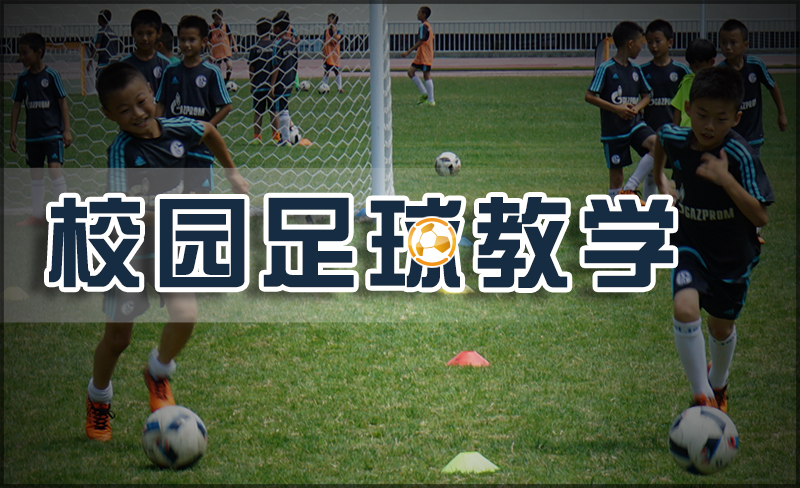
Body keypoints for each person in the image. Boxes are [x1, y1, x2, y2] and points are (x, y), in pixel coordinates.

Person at [86, 61, 249, 441]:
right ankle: (98, 399)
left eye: (141, 101)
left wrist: (232, 173)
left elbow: (209, 130)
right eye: (124, 110)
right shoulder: (121, 152)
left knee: (186, 314)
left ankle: (158, 372)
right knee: (118, 340)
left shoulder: (178, 129)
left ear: (151, 93)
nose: (137, 113)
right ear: (109, 115)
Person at [653, 66, 773, 413]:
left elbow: (760, 216)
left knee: (721, 328)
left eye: (720, 119)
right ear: (688, 108)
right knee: (685, 308)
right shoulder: (678, 137)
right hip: (689, 243)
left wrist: (726, 180)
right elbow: (661, 138)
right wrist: (661, 179)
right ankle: (702, 395)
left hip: (732, 255)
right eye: (702, 115)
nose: (708, 126)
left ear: (736, 118)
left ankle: (718, 382)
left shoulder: (739, 155)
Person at [155, 15, 233, 194]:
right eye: (183, 40)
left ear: (204, 42)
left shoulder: (211, 72)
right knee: (173, 192)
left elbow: (227, 106)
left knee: (200, 194)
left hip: (200, 146)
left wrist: (206, 129)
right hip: (173, 143)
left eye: (192, 40)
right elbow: (161, 103)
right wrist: (157, 131)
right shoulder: (170, 71)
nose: (187, 44)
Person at [585, 21, 655, 200]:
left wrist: (636, 108)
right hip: (614, 130)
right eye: (640, 43)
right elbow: (590, 96)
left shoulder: (636, 69)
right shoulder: (606, 68)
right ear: (630, 44)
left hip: (635, 125)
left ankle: (630, 187)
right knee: (616, 178)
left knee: (658, 144)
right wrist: (616, 109)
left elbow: (647, 96)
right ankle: (615, 211)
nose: (641, 48)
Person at [9, 32, 72, 226]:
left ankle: (66, 214)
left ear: (38, 52)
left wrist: (67, 130)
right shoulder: (23, 79)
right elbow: (16, 106)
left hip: (52, 134)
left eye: (25, 53)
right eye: (20, 53)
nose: (21, 57)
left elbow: (62, 102)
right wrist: (13, 133)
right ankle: (36, 216)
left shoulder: (51, 75)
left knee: (54, 170)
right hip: (33, 137)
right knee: (35, 175)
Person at [635, 19, 690, 197]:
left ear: (670, 42)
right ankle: (650, 207)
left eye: (658, 41)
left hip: (675, 131)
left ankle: (680, 205)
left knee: (679, 171)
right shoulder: (642, 70)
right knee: (652, 173)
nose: (653, 46)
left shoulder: (681, 71)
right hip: (651, 129)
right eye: (649, 42)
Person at [717, 19, 788, 157]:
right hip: (730, 135)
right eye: (723, 42)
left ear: (745, 45)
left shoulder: (755, 65)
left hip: (753, 135)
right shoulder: (721, 72)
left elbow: (772, 86)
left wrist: (782, 113)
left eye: (733, 42)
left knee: (752, 167)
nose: (728, 47)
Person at [120, 9, 171, 94]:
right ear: (132, 33)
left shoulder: (165, 64)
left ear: (159, 33)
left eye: (149, 33)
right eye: (139, 33)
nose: (144, 38)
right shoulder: (124, 65)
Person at [671, 38, 717, 127]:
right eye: (691, 66)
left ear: (711, 62)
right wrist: (674, 129)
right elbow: (678, 108)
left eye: (697, 66)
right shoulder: (687, 81)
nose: (693, 69)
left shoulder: (717, 83)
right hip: (685, 131)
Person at [269, 13, 298, 146]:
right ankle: (288, 135)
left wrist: (272, 84)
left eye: (274, 27)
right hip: (289, 80)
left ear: (279, 28)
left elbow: (276, 66)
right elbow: (295, 64)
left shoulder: (278, 45)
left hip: (280, 81)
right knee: (284, 107)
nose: (272, 29)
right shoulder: (293, 44)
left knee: (281, 109)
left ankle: (285, 139)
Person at [248, 17, 275, 143]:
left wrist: (252, 83)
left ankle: (257, 138)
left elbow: (251, 68)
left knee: (258, 112)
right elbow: (277, 66)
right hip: (272, 85)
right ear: (271, 30)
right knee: (274, 111)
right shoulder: (274, 46)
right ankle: (276, 137)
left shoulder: (254, 48)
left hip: (259, 85)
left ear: (257, 31)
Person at [401, 6, 435, 106]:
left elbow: (421, 41)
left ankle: (431, 100)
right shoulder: (427, 26)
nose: (417, 14)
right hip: (420, 56)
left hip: (425, 56)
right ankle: (424, 93)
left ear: (424, 15)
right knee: (410, 72)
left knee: (426, 75)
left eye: (419, 13)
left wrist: (408, 52)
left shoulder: (424, 26)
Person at [209, 8, 236, 85]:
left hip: (226, 51)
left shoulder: (225, 25)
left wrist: (235, 45)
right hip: (216, 52)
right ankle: (219, 81)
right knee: (217, 69)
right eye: (216, 19)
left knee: (229, 65)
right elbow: (208, 41)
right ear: (213, 18)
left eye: (219, 19)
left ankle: (227, 79)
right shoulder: (211, 27)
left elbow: (231, 35)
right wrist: (210, 53)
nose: (218, 21)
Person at [93, 9, 119, 79]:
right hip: (114, 61)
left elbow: (97, 47)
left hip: (104, 62)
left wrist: (90, 60)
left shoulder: (101, 32)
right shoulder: (113, 33)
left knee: (101, 81)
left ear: (100, 19)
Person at [321, 13, 344, 93]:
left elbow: (337, 39)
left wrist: (334, 31)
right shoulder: (326, 31)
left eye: (329, 19)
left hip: (335, 55)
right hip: (327, 55)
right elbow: (324, 42)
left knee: (336, 71)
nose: (327, 21)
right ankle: (324, 86)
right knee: (326, 71)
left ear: (334, 21)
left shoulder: (338, 31)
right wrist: (323, 52)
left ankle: (339, 88)